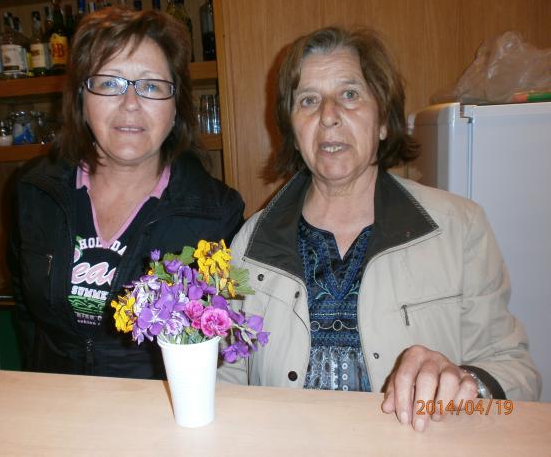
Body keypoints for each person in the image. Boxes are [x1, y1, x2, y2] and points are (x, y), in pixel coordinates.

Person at [217, 26, 541, 431]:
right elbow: (227, 377)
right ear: (294, 133)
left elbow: (518, 373)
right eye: (308, 100)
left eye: (350, 94)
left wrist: (466, 383)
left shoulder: (460, 228)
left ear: (383, 121)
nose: (328, 115)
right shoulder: (250, 243)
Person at [8, 8, 244, 379]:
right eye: (109, 83)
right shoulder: (34, 190)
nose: (131, 103)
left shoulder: (218, 213)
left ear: (176, 107)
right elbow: (25, 308)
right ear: (81, 99)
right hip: (54, 400)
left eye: (151, 86)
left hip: (159, 405)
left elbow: (218, 342)